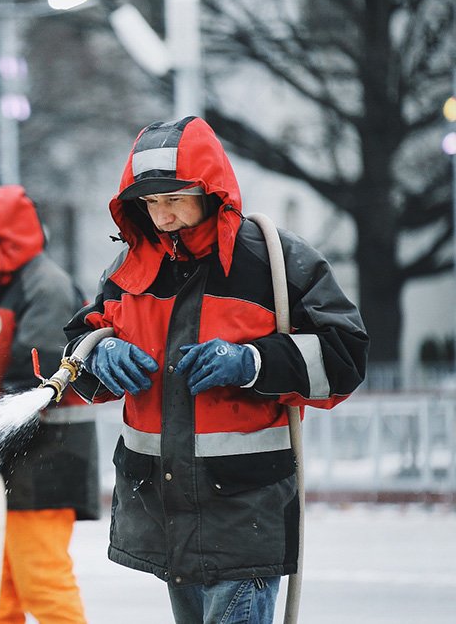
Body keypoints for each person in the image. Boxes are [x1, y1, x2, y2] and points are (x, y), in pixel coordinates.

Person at [63, 116, 368, 624]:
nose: (162, 217)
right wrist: (98, 354)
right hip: (164, 505)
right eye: (151, 203)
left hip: (243, 507)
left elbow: (346, 356)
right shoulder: (130, 271)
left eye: (175, 199)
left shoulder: (276, 262)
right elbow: (79, 345)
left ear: (212, 192)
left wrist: (252, 362)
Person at [0, 184, 100, 624]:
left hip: (42, 468)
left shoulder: (45, 288)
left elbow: (38, 382)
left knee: (44, 588)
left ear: (3, 237)